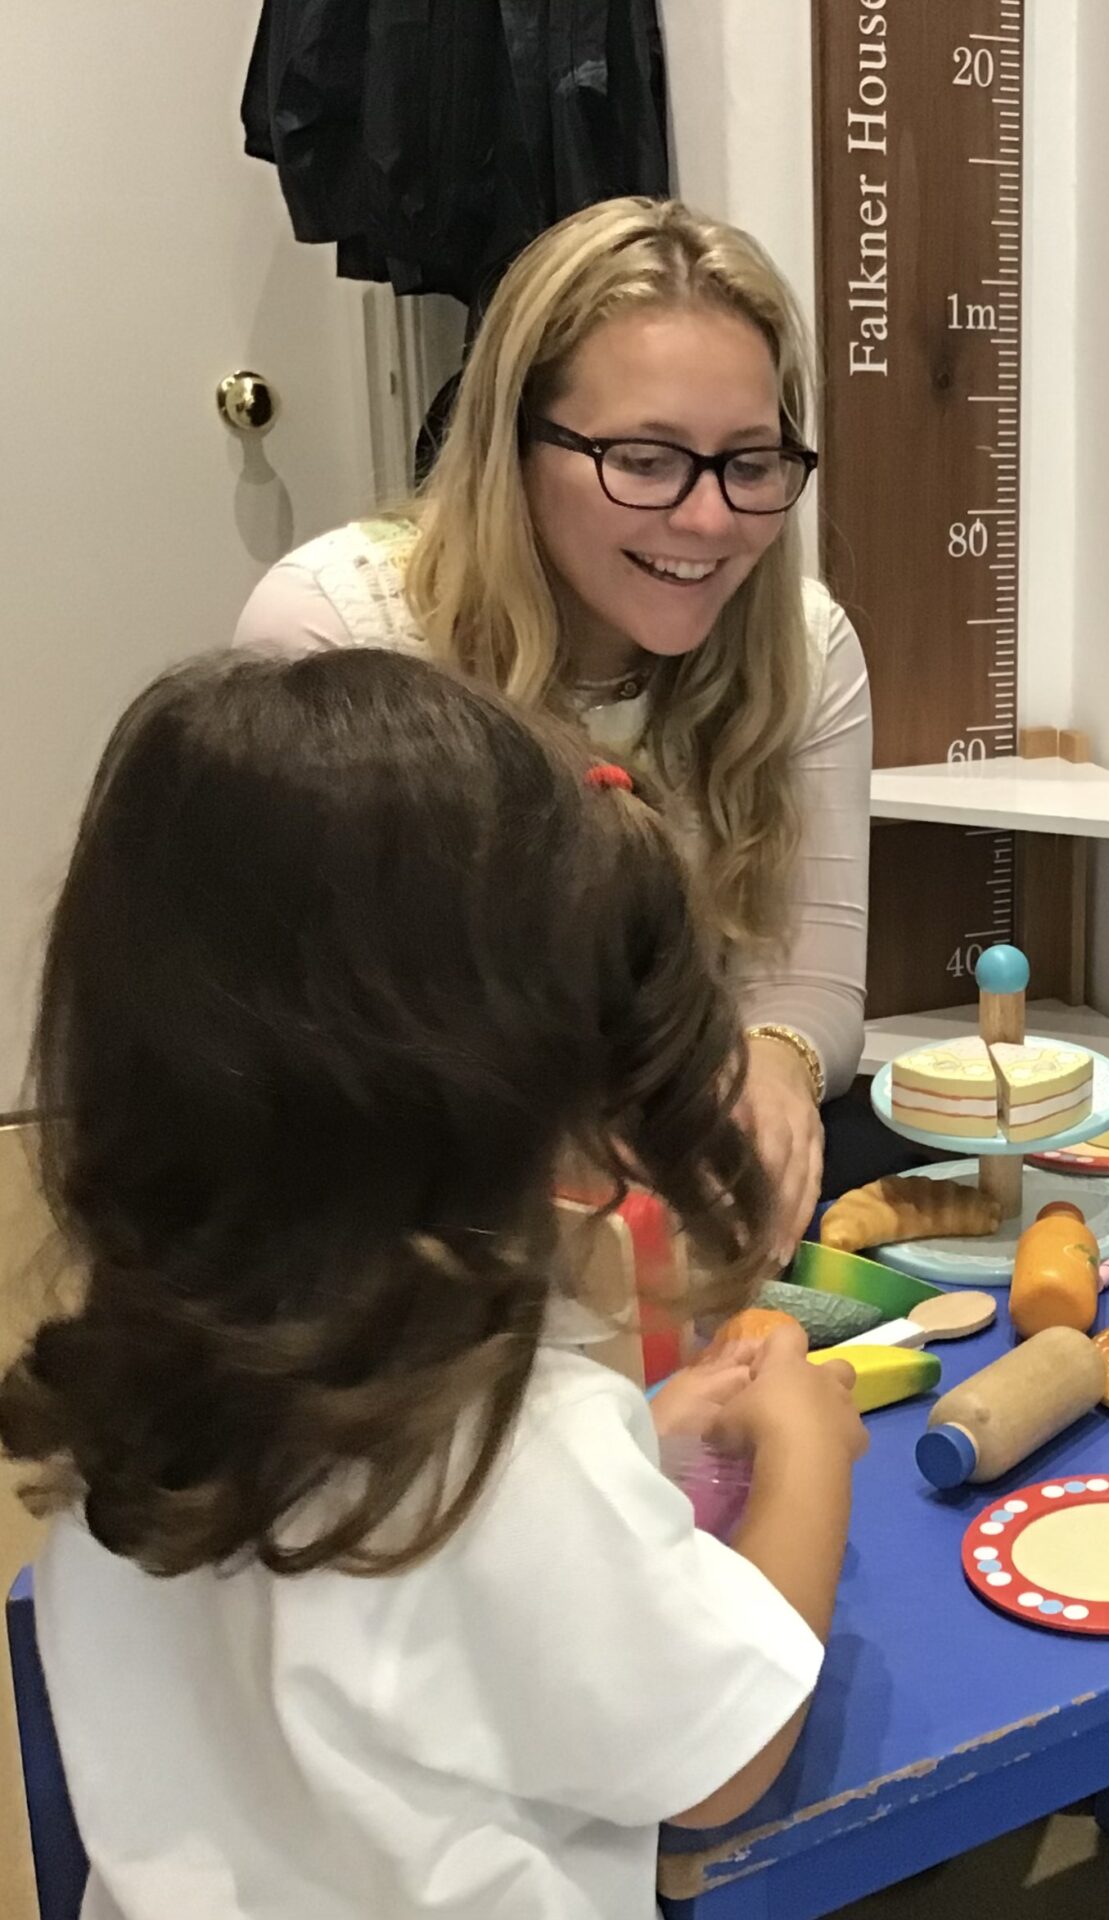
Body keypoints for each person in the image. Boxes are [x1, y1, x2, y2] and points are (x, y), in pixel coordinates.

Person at [1, 650, 869, 1919]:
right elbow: (723, 1766)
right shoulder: (523, 1456)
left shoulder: (138, 1387)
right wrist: (806, 1454)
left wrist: (644, 1434)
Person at [236, 195, 908, 1260]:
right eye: (643, 458)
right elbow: (314, 1055)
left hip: (663, 1162)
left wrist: (775, 1065)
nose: (709, 519)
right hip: (402, 1195)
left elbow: (811, 984)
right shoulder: (336, 632)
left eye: (749, 462)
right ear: (514, 444)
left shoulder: (806, 643)